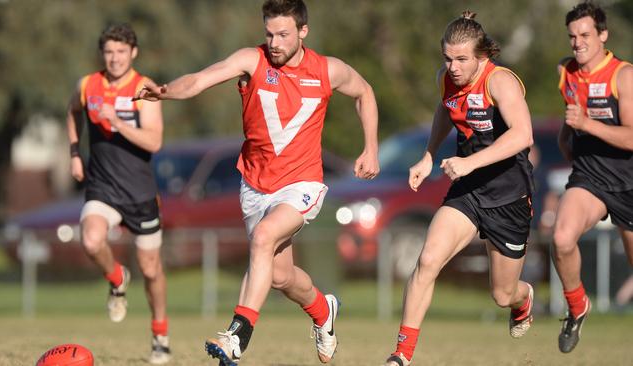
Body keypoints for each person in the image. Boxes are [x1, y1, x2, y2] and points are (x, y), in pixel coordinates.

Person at [135, 0, 379, 364]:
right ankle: (323, 311)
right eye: (269, 33)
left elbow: (365, 93)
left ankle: (238, 333)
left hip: (302, 183)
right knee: (281, 277)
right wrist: (166, 91)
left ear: (303, 32)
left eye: (283, 34)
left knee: (264, 237)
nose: (275, 42)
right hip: (255, 184)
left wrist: (371, 148)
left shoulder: (328, 70)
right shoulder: (253, 60)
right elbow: (201, 79)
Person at [382, 11, 535, 366]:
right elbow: (444, 110)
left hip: (508, 196)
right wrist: (427, 155)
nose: (453, 67)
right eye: (448, 58)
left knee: (502, 293)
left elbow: (523, 134)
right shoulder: (447, 79)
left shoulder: (501, 82)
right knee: (428, 260)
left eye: (462, 59)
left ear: (482, 55)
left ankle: (523, 299)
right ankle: (401, 355)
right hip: (467, 192)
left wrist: (469, 163)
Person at [66, 23, 171, 364]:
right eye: (109, 52)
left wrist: (119, 123)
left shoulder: (144, 88)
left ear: (133, 53)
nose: (114, 59)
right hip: (102, 186)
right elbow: (72, 112)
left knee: (152, 269)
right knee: (92, 239)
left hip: (140, 193)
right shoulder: (88, 85)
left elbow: (154, 141)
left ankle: (160, 334)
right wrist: (74, 153)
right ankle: (117, 278)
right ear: (103, 53)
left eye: (121, 52)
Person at [553, 1, 633, 353]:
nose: (578, 42)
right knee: (561, 238)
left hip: (629, 181)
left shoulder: (623, 75)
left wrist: (586, 124)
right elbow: (569, 116)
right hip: (590, 178)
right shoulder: (566, 71)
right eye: (572, 36)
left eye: (585, 35)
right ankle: (576, 306)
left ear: (603, 35)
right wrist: (566, 137)